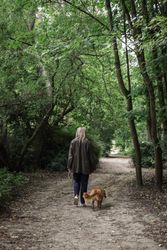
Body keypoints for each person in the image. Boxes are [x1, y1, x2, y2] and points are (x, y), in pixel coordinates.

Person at [67, 127, 97, 206]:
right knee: (84, 184)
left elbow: (70, 156)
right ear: (84, 133)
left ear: (77, 132)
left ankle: (76, 200)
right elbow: (91, 157)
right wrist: (93, 167)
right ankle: (83, 202)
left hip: (75, 167)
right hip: (85, 168)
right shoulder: (87, 142)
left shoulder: (73, 142)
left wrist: (69, 166)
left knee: (76, 183)